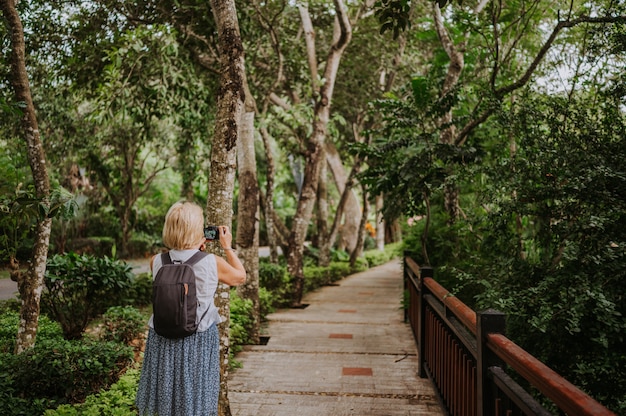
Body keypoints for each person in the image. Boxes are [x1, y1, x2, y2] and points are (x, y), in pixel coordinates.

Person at [136, 201, 246, 416]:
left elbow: (178, 261)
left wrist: (192, 247)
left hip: (162, 338)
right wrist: (227, 246)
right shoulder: (211, 262)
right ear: (197, 230)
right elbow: (240, 277)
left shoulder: (156, 261)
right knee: (196, 396)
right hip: (198, 338)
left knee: (167, 397)